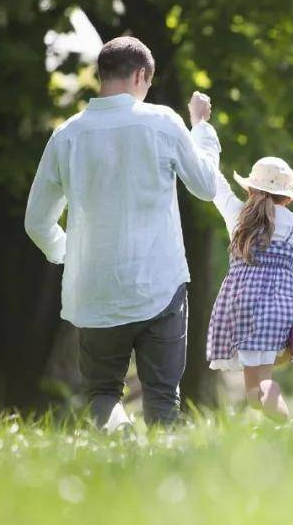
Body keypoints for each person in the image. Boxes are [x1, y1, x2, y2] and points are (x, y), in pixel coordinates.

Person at [24, 36, 221, 429]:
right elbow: (206, 185)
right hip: (159, 284)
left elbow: (36, 222)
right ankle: (162, 480)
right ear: (141, 75)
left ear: (102, 75)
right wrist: (201, 128)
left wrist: (69, 253)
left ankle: (118, 447)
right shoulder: (163, 122)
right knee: (164, 395)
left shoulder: (67, 135)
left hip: (93, 289)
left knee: (102, 394)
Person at [206, 157, 293, 421]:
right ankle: (283, 419)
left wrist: (201, 131)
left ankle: (285, 424)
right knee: (260, 388)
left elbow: (216, 183)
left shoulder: (237, 215)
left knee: (254, 393)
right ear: (288, 199)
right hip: (281, 309)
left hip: (243, 308)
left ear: (249, 190)